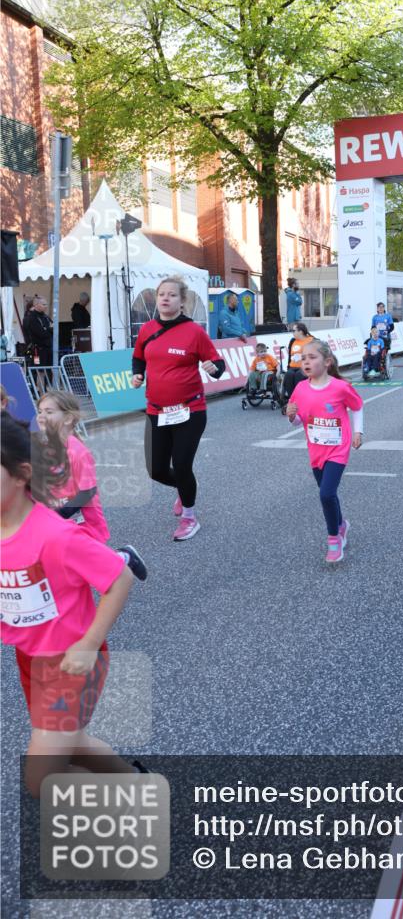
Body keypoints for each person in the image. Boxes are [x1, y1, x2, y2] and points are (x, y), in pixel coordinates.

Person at [0, 413, 137, 797]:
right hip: (30, 656)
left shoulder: (56, 536)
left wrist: (89, 643)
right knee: (73, 742)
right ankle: (132, 783)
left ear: (22, 474)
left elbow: (119, 578)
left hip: (71, 661)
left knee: (40, 780)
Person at [131, 276, 225, 542]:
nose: (165, 298)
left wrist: (214, 368)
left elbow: (217, 362)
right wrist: (137, 375)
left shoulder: (194, 332)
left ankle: (189, 517)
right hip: (156, 410)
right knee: (156, 469)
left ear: (182, 302)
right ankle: (184, 489)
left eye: (172, 295)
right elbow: (138, 358)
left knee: (182, 464)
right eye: (162, 294)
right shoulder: (147, 329)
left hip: (189, 410)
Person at [34, 391, 147, 580]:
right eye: (39, 411)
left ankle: (126, 557)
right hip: (60, 520)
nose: (41, 417)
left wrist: (59, 514)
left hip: (83, 521)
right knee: (73, 564)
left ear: (68, 418)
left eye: (49, 412)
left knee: (85, 565)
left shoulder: (78, 451)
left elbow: (87, 492)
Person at [285, 340, 363, 563]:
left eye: (312, 357)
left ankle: (333, 539)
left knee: (326, 493)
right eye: (303, 358)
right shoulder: (300, 388)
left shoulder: (340, 387)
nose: (306, 361)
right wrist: (291, 415)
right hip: (316, 449)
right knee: (328, 493)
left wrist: (359, 432)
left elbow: (357, 407)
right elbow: (298, 421)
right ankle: (341, 525)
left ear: (327, 362)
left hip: (338, 448)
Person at [282, 322, 314, 399]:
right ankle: (291, 398)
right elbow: (290, 356)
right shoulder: (293, 341)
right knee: (289, 375)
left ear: (301, 332)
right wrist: (288, 366)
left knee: (299, 375)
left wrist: (303, 356)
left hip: (305, 366)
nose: (292, 332)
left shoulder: (311, 340)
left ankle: (300, 397)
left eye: (294, 330)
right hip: (293, 366)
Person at [24, 296, 53, 367]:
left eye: (46, 304)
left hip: (48, 348)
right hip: (37, 350)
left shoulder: (45, 317)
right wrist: (49, 329)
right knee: (39, 369)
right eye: (44, 304)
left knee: (51, 368)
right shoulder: (32, 318)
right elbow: (41, 333)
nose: (46, 306)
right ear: (36, 305)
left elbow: (53, 328)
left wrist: (48, 329)